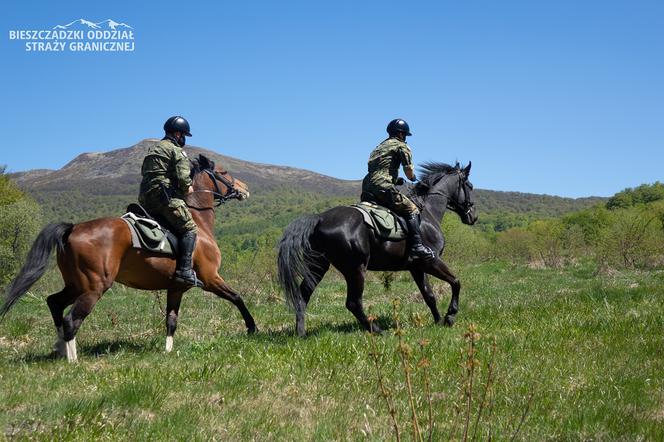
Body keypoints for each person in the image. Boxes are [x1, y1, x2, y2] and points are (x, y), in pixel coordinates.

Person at [138, 116, 203, 287]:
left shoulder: (153, 149)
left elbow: (146, 173)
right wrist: (188, 188)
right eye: (183, 136)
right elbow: (183, 178)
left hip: (145, 200)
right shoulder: (176, 150)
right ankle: (184, 271)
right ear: (176, 133)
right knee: (190, 228)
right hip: (165, 199)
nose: (184, 140)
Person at [361, 118, 436, 261]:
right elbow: (408, 170)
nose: (405, 138)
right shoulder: (401, 146)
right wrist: (413, 178)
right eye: (405, 135)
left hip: (367, 186)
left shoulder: (379, 146)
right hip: (383, 186)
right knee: (412, 209)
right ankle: (417, 247)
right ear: (401, 134)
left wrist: (395, 179)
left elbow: (381, 168)